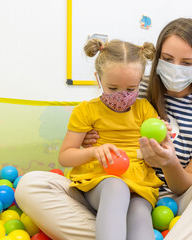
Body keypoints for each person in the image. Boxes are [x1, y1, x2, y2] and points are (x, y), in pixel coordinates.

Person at [15, 18, 192, 240]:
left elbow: (191, 182)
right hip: (102, 186)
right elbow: (99, 113)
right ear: (156, 59)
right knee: (30, 185)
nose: (124, 95)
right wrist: (90, 143)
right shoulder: (135, 86)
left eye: (186, 63)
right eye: (167, 58)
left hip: (165, 197)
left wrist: (168, 162)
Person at [57, 38, 165, 240]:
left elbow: (153, 158)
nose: (122, 95)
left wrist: (160, 137)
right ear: (99, 79)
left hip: (138, 184)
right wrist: (93, 152)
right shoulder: (86, 110)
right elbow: (65, 156)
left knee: (140, 214)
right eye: (113, 88)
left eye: (131, 89)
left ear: (140, 81)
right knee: (116, 187)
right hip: (100, 181)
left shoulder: (144, 110)